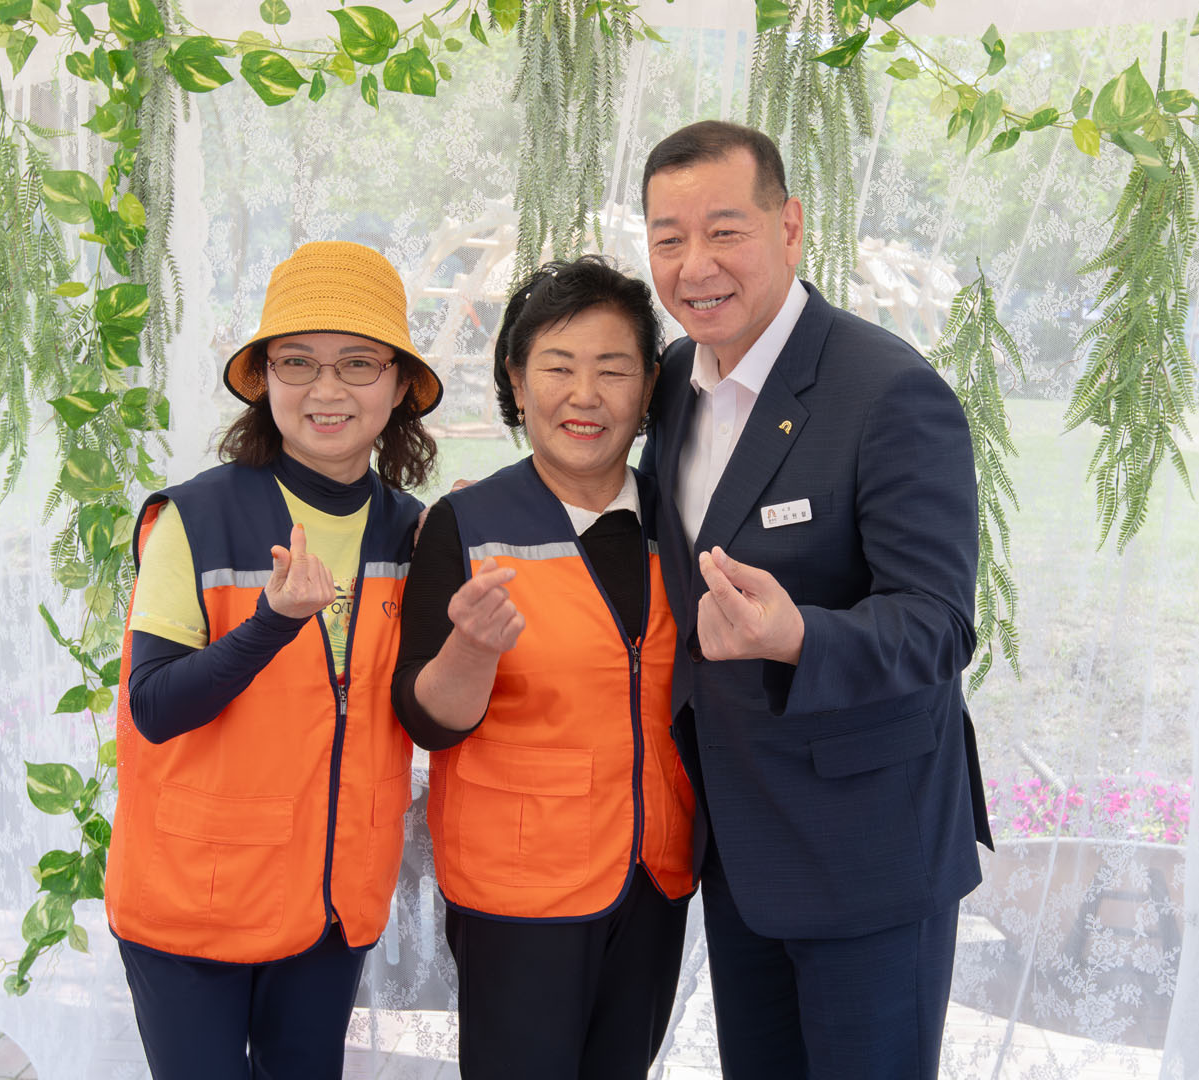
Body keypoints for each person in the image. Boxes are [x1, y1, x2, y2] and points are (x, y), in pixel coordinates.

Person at [636, 120, 994, 1079]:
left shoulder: (890, 392)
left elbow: (939, 623)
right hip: (739, 849)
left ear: (790, 227)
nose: (695, 266)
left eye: (725, 231)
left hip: (869, 855)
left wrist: (799, 636)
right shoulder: (670, 382)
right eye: (669, 239)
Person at [103, 240, 442, 1079]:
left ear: (399, 384)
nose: (326, 390)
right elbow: (155, 708)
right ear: (264, 379)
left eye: (357, 364)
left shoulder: (414, 531)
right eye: (297, 362)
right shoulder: (195, 519)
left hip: (333, 901)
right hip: (194, 901)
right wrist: (269, 623)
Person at [391, 256, 696, 1080]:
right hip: (518, 892)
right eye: (558, 368)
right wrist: (471, 650)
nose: (584, 396)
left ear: (649, 388)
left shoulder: (682, 521)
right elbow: (424, 717)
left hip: (654, 878)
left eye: (613, 370)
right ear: (517, 382)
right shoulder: (465, 523)